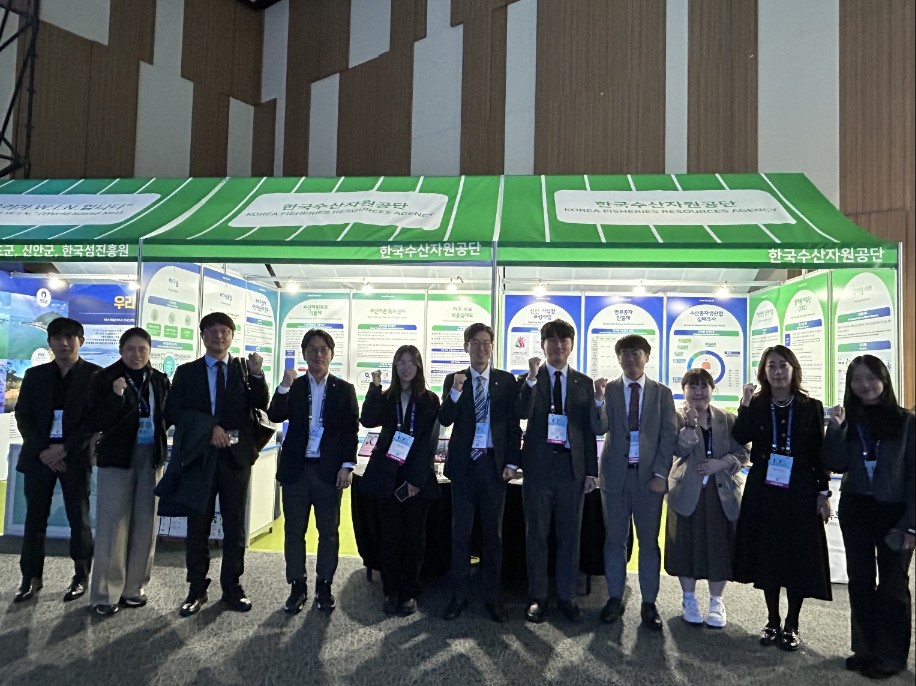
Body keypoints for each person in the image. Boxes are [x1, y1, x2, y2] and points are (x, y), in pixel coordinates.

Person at [164, 312, 269, 616]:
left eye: (225, 331)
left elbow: (261, 404)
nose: (219, 336)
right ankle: (196, 588)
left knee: (235, 525)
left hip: (236, 458)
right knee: (198, 524)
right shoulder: (187, 372)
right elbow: (174, 411)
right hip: (200, 456)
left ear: (232, 337)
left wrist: (258, 375)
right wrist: (209, 428)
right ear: (202, 336)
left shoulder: (244, 370)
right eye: (212, 331)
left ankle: (232, 587)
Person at [732, 345, 831, 651]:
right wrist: (744, 404)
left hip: (800, 488)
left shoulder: (810, 406)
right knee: (769, 553)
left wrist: (823, 491)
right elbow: (740, 435)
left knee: (798, 555)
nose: (777, 372)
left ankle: (792, 623)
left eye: (782, 365)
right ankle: (772, 620)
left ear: (793, 369)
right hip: (764, 488)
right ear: (764, 371)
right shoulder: (757, 404)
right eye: (771, 366)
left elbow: (819, 452)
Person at [825, 355, 915, 679]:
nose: (864, 385)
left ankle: (891, 656)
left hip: (894, 511)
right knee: (860, 581)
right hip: (857, 508)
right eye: (857, 379)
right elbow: (835, 463)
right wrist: (835, 429)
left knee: (893, 584)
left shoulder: (906, 421)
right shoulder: (850, 421)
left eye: (871, 377)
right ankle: (864, 649)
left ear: (884, 380)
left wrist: (911, 526)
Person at [267, 329, 358, 615]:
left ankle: (324, 585)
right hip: (297, 469)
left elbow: (350, 430)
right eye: (313, 349)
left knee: (328, 532)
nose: (318, 355)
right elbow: (274, 414)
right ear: (304, 353)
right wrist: (283, 385)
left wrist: (347, 465)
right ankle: (297, 586)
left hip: (328, 471)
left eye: (323, 350)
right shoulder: (293, 386)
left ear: (331, 354)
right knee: (294, 531)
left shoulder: (344, 389)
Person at [592, 334, 676, 631]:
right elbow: (599, 427)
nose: (630, 358)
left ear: (646, 357)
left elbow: (668, 436)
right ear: (618, 359)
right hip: (615, 477)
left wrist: (661, 474)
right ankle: (614, 597)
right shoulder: (610, 390)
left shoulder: (662, 393)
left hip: (649, 479)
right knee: (615, 540)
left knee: (649, 542)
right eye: (625, 353)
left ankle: (649, 603)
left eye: (636, 352)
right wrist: (598, 399)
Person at [13, 317, 100, 603]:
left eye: (70, 338)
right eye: (57, 338)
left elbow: (93, 422)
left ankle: (80, 576)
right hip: (39, 457)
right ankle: (30, 577)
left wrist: (63, 450)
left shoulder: (95, 376)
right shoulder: (35, 375)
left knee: (79, 519)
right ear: (49, 342)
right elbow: (23, 415)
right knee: (34, 519)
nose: (64, 343)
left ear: (81, 341)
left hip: (75, 457)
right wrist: (44, 451)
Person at [439, 323, 521, 623]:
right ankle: (458, 595)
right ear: (466, 347)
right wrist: (456, 392)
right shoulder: (455, 379)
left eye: (486, 343)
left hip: (493, 466)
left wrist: (512, 462)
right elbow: (445, 418)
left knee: (493, 536)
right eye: (475, 343)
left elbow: (512, 426)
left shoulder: (505, 381)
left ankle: (492, 597)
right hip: (464, 467)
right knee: (460, 533)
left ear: (492, 347)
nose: (481, 348)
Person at [517, 319, 598, 624]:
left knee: (570, 536)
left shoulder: (583, 383)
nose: (558, 346)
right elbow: (520, 412)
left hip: (571, 469)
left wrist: (591, 471)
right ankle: (538, 597)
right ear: (543, 346)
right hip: (538, 469)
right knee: (536, 535)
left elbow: (588, 431)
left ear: (571, 345)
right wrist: (530, 379)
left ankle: (566, 596)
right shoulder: (530, 379)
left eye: (564, 340)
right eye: (551, 341)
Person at [87, 327, 170, 616]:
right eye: (131, 349)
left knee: (145, 523)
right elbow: (96, 420)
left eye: (142, 349)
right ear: (121, 350)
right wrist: (116, 395)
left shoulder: (159, 379)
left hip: (150, 457)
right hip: (117, 457)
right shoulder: (104, 378)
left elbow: (166, 416)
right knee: (113, 524)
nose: (137, 354)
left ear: (149, 351)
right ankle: (106, 593)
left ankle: (134, 588)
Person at [358, 345, 441, 616]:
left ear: (419, 367)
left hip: (416, 477)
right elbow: (367, 419)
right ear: (395, 366)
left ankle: (409, 591)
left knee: (414, 538)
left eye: (411, 362)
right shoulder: (386, 397)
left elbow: (428, 442)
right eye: (401, 362)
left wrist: (416, 480)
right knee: (390, 536)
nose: (406, 367)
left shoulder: (429, 400)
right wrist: (374, 387)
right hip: (388, 476)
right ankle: (391, 591)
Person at [664, 368, 748, 628]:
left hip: (721, 492)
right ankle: (688, 599)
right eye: (692, 386)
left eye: (703, 386)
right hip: (686, 492)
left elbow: (743, 452)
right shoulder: (675, 417)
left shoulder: (728, 419)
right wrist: (689, 425)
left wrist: (722, 463)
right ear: (684, 390)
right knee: (686, 547)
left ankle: (716, 601)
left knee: (719, 548)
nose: (698, 392)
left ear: (712, 389)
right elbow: (676, 449)